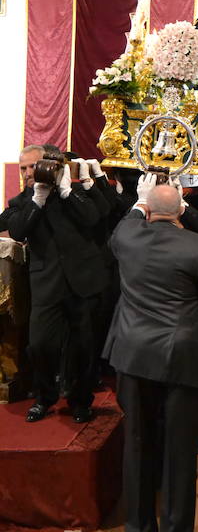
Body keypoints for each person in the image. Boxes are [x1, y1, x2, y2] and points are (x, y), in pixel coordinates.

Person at [104, 178, 198, 532]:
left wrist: (142, 202)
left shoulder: (126, 236)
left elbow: (132, 217)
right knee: (178, 451)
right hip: (180, 357)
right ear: (179, 213)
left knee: (137, 441)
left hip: (134, 354)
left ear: (146, 209)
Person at [7, 147, 109, 422]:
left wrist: (65, 192)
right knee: (40, 345)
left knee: (83, 347)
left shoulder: (72, 193)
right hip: (46, 284)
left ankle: (80, 401)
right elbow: (17, 230)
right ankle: (44, 397)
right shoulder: (22, 201)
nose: (29, 173)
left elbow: (94, 217)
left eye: (33, 166)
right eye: (23, 169)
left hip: (83, 282)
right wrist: (38, 201)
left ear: (49, 164)